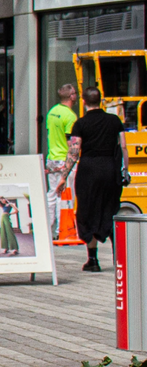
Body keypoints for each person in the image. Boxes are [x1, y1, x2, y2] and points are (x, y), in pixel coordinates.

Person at [69, 87, 126, 272]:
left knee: (88, 211)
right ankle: (119, 257)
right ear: (100, 100)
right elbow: (123, 147)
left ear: (84, 101)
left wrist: (63, 175)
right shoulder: (114, 121)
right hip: (110, 169)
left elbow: (74, 151)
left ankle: (92, 260)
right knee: (110, 209)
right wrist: (125, 170)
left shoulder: (80, 124)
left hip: (88, 171)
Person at [45, 83, 78, 234]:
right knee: (64, 197)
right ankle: (62, 230)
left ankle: (48, 228)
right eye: (75, 93)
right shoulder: (70, 116)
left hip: (52, 158)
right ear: (71, 96)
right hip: (65, 160)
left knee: (52, 194)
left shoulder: (52, 112)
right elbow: (71, 141)